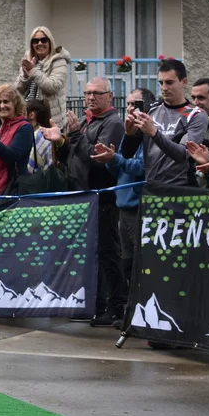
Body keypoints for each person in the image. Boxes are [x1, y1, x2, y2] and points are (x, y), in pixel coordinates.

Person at [56, 76, 125, 326]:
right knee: (92, 254)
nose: (91, 97)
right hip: (83, 196)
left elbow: (97, 158)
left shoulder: (112, 123)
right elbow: (74, 154)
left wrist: (75, 136)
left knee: (108, 253)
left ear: (109, 96)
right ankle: (95, 304)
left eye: (97, 93)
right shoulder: (87, 121)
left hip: (102, 197)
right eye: (87, 93)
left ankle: (116, 306)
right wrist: (61, 141)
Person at [90, 90, 147, 330]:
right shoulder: (129, 134)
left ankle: (142, 315)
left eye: (137, 104)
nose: (131, 108)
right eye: (129, 104)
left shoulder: (148, 136)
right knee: (127, 265)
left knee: (139, 266)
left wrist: (116, 159)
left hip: (137, 208)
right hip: (122, 207)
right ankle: (130, 314)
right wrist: (110, 159)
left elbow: (140, 167)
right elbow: (118, 170)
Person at [123, 59, 206, 186]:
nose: (164, 88)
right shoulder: (151, 110)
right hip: (152, 187)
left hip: (181, 188)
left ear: (184, 82)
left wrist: (154, 133)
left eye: (169, 82)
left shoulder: (195, 114)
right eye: (161, 83)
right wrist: (129, 135)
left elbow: (182, 154)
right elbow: (127, 154)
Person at [15, 26, 70, 128]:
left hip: (50, 119)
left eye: (43, 40)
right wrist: (24, 77)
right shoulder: (29, 60)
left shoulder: (59, 61)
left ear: (50, 42)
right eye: (35, 41)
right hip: (28, 116)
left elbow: (52, 87)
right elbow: (17, 92)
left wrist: (33, 71)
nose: (39, 43)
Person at [189, 78, 209, 187]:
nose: (195, 102)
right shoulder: (187, 123)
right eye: (193, 98)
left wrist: (207, 164)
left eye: (201, 98)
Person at [25, 98, 56, 176]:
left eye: (23, 111)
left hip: (36, 181)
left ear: (31, 115)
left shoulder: (38, 137)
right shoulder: (42, 133)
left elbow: (29, 168)